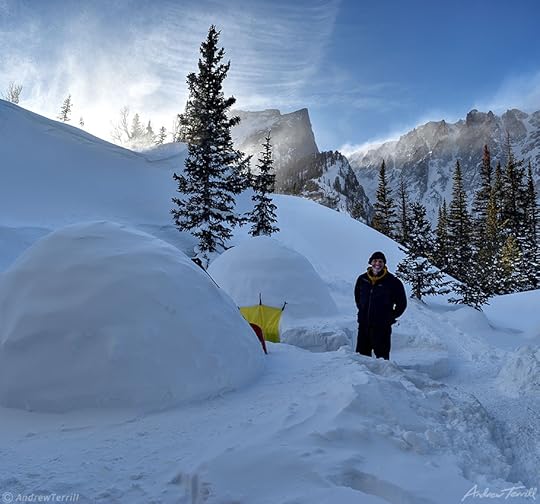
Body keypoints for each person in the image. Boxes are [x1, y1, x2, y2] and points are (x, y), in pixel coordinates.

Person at [354, 251, 407, 360]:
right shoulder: (362, 279)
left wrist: (390, 317)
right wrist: (363, 311)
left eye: (380, 261)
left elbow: (402, 303)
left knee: (382, 358)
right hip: (364, 325)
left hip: (382, 327)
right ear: (370, 262)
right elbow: (358, 298)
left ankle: (382, 376)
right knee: (362, 357)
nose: (377, 263)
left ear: (384, 264)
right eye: (375, 261)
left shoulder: (393, 281)